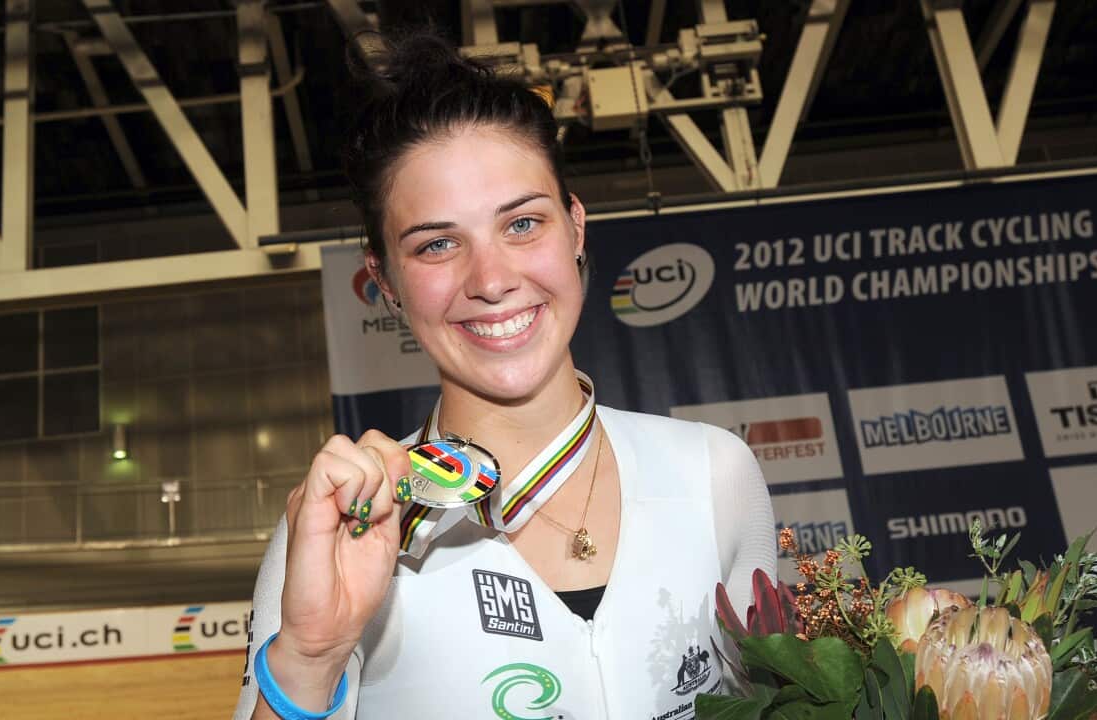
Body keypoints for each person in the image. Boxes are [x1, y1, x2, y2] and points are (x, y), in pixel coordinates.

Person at [233, 29, 776, 720]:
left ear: (575, 228)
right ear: (386, 283)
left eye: (522, 224)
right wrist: (311, 654)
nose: (491, 280)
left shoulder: (715, 474)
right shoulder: (344, 530)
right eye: (437, 244)